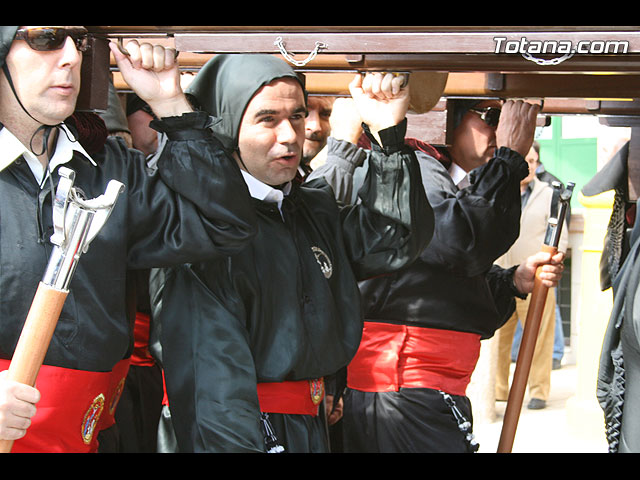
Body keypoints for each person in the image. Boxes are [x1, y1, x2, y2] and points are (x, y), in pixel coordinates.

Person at [151, 56, 433, 453]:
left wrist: (387, 137)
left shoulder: (309, 208)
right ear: (227, 127)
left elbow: (393, 239)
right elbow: (209, 380)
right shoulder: (196, 227)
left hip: (306, 427)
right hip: (237, 435)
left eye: (297, 116)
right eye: (267, 119)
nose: (290, 135)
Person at [0, 26, 258, 453]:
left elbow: (224, 225)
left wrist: (170, 104)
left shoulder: (111, 169)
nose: (71, 57)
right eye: (47, 37)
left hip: (96, 437)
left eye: (78, 42)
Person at [308, 93, 564, 452]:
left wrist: (511, 281)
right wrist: (508, 160)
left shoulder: (438, 174)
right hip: (404, 391)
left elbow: (440, 283)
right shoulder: (416, 162)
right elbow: (460, 244)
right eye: (490, 115)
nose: (500, 129)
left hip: (417, 392)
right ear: (444, 115)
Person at [494, 143, 569, 410]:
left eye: (534, 160)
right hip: (502, 275)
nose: (530, 165)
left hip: (536, 278)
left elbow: (561, 232)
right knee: (499, 337)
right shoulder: (500, 188)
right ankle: (499, 389)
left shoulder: (550, 194)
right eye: (526, 160)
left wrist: (551, 265)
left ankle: (538, 391)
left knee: (538, 337)